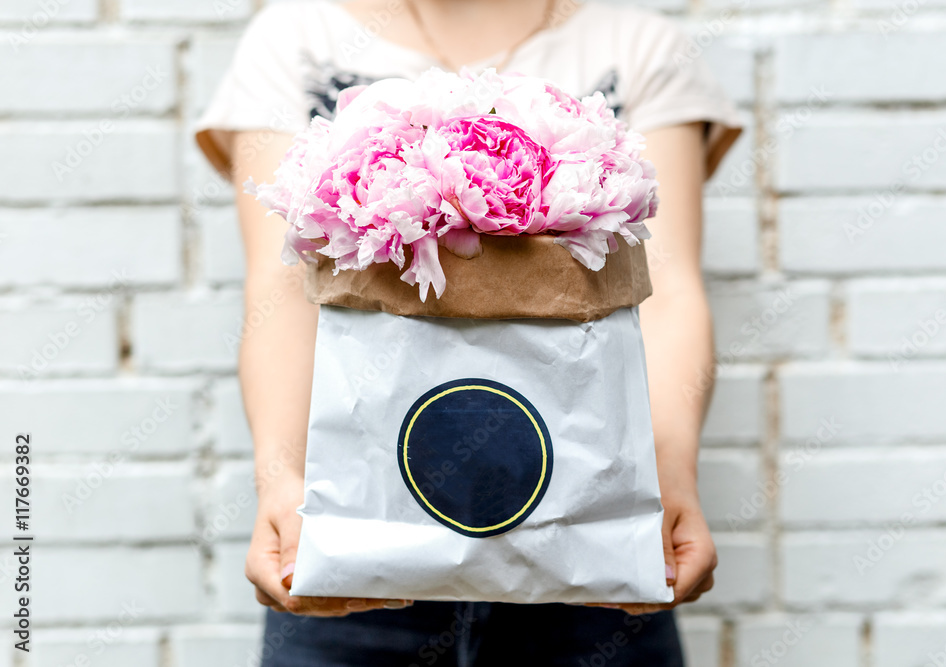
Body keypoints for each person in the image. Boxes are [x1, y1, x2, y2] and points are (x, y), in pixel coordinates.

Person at [194, 0, 744, 664]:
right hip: (356, 542)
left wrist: (668, 478)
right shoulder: (296, 40)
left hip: (587, 551)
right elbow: (284, 289)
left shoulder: (639, 46)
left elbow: (665, 287)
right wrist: (282, 483)